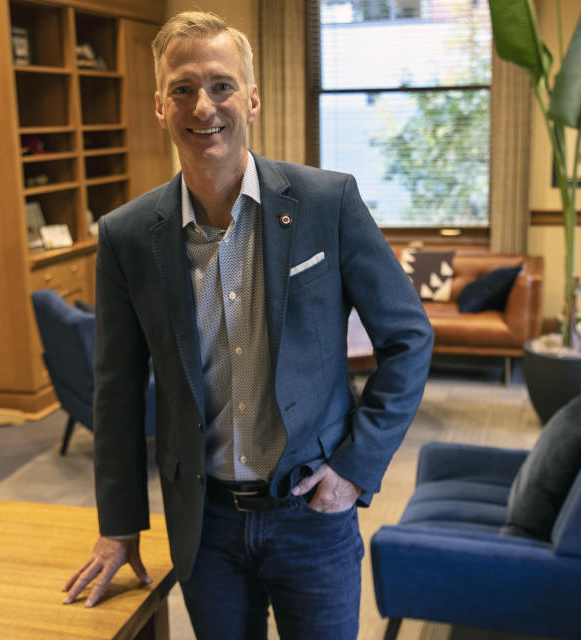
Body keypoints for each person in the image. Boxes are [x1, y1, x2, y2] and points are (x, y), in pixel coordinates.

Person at [62, 11, 433, 639]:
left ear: (252, 99)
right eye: (182, 88)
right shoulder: (126, 236)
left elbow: (408, 338)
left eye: (221, 85)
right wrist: (119, 525)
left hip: (312, 512)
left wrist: (353, 470)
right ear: (160, 106)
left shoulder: (327, 202)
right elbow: (117, 391)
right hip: (204, 526)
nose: (202, 105)